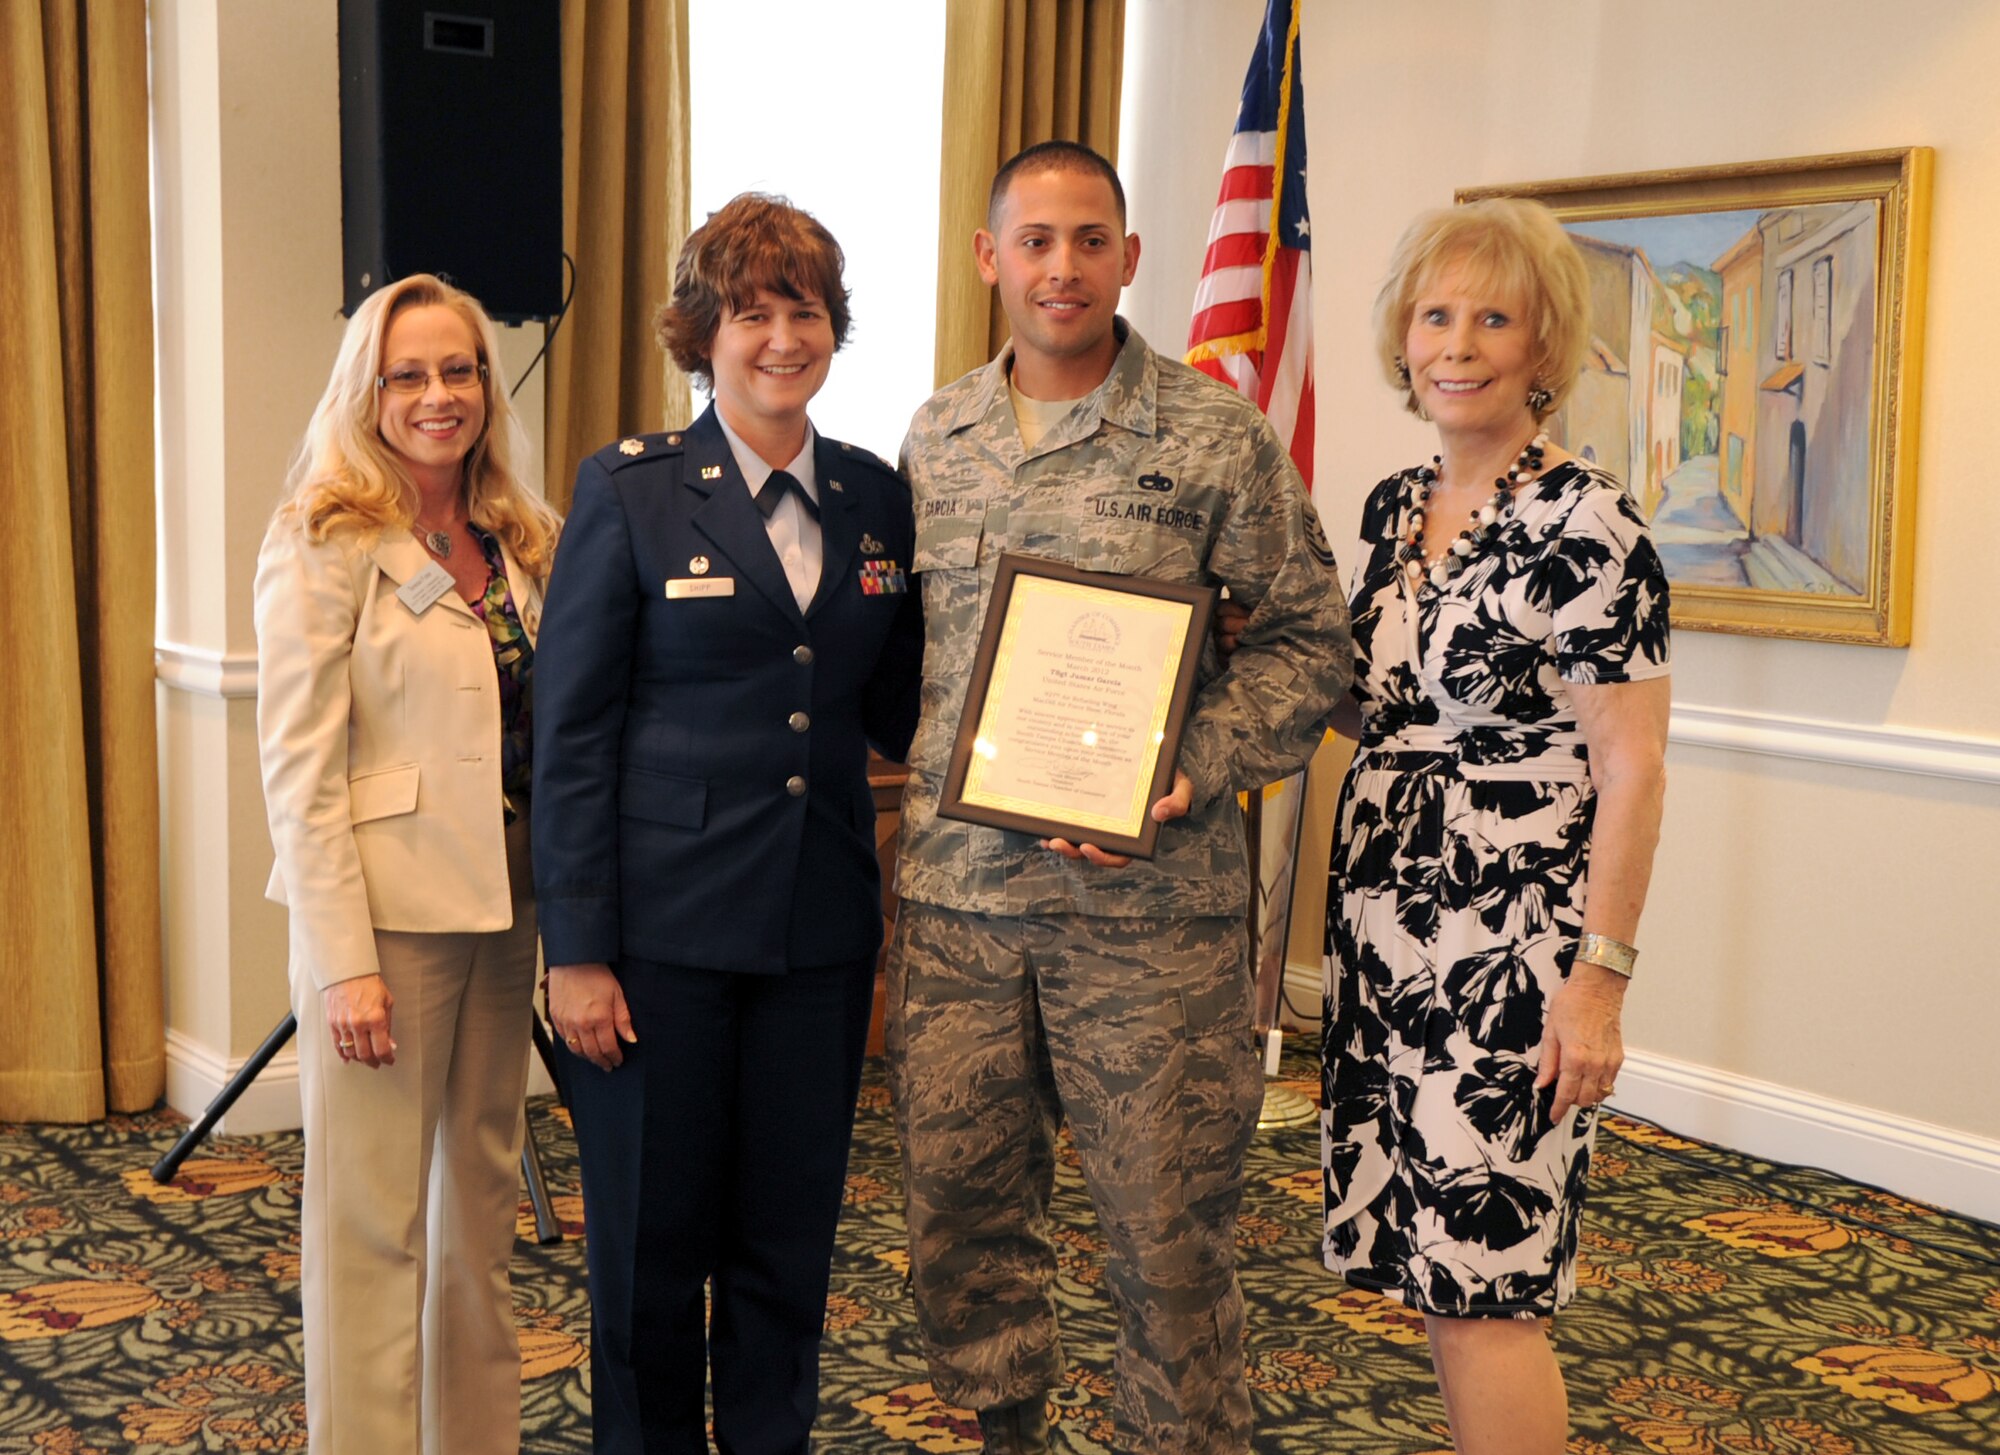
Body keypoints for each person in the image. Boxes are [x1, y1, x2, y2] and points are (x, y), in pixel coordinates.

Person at [886, 140, 1353, 1454]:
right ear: (990, 258)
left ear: (1132, 258)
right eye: (1035, 240)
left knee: (1166, 1230)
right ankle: (1007, 1432)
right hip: (961, 908)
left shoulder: (1213, 437)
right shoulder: (936, 437)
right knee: (962, 1210)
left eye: (1091, 239)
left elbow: (1313, 643)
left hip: (1149, 918)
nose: (1063, 266)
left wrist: (1185, 763)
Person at [530, 193, 923, 1455]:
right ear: (701, 333)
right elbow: (571, 736)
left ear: (832, 328)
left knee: (785, 1244)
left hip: (815, 938)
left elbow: (909, 705)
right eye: (748, 312)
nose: (778, 337)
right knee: (650, 1248)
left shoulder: (873, 499)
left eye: (801, 310)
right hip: (659, 943)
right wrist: (575, 950)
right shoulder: (632, 491)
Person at [1319, 196, 1672, 1455]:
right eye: (1433, 315)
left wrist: (1598, 987)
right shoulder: (1385, 508)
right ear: (1400, 339)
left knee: (1487, 1282)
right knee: (1427, 1272)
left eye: (1491, 318)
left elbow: (1631, 770)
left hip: (1510, 958)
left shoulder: (1589, 526)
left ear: (1540, 347)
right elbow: (1364, 711)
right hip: (1379, 934)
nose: (1456, 343)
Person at [254, 272, 558, 1454]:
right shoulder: (324, 535)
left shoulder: (521, 537)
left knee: (477, 1218)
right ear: (368, 393)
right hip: (383, 926)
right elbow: (299, 771)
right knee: (370, 1228)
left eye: (461, 370)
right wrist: (343, 965)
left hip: (508, 906)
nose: (440, 395)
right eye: (410, 374)